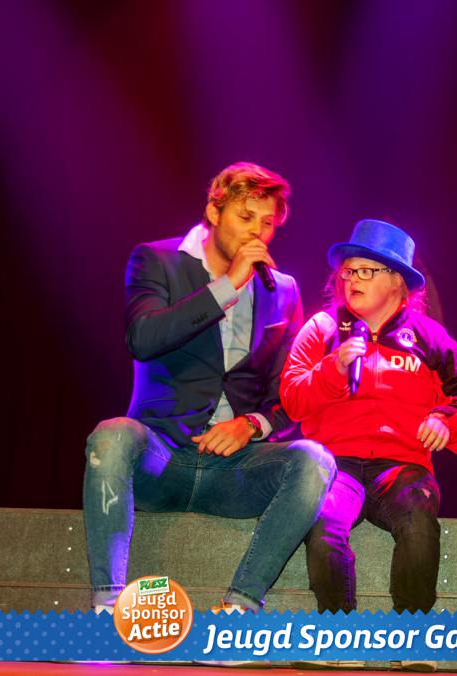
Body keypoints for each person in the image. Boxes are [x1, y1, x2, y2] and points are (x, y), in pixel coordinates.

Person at [83, 162, 336, 614]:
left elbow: (287, 394)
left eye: (267, 223)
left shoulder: (283, 290)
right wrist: (227, 286)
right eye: (245, 217)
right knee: (112, 435)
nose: (256, 232)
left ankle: (240, 607)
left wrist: (251, 425)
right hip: (162, 455)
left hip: (232, 469)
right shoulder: (157, 260)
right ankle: (107, 608)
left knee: (315, 459)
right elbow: (143, 338)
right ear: (214, 212)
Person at [280, 219, 457, 614]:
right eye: (348, 271)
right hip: (334, 464)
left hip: (402, 467)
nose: (352, 280)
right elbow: (291, 400)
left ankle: (411, 631)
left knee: (418, 521)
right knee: (322, 525)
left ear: (397, 281)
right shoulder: (322, 329)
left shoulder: (428, 336)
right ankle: (338, 629)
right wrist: (332, 370)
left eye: (366, 271)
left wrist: (444, 419)